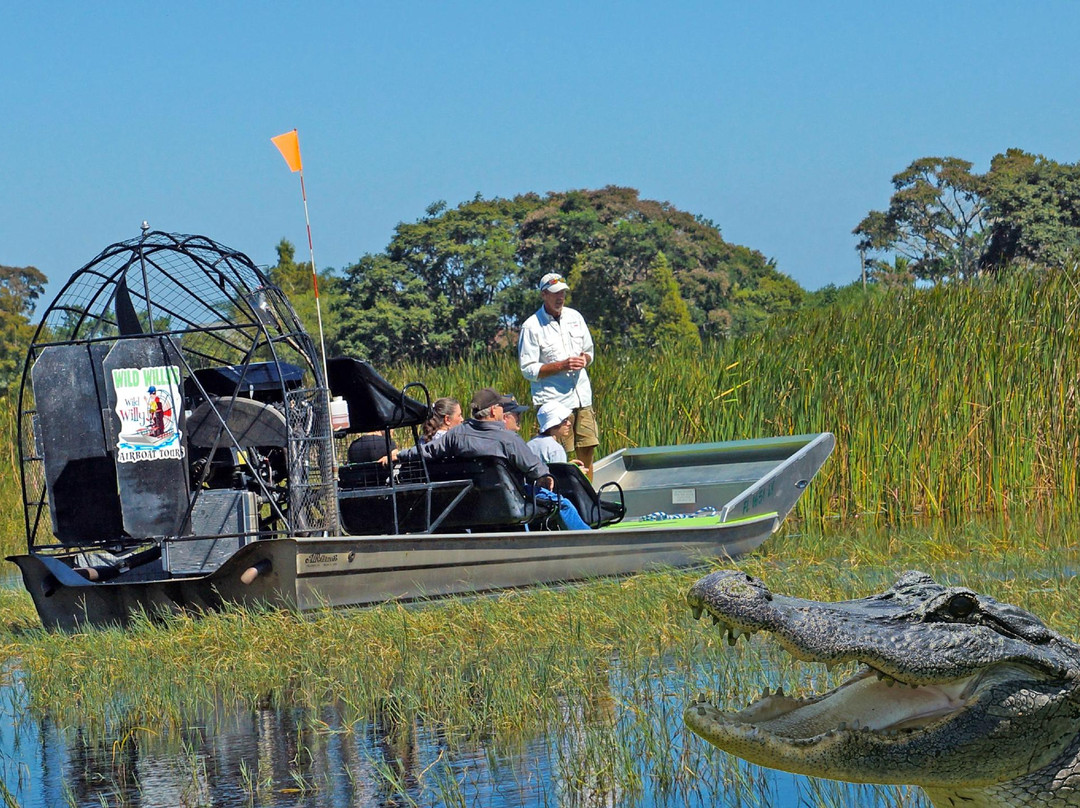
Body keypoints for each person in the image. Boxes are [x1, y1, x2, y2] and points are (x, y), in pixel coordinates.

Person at [415, 387, 591, 531]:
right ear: (493, 410)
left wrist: (401, 455)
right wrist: (545, 476)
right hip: (511, 500)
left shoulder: (456, 435)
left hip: (472, 503)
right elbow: (534, 468)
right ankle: (589, 540)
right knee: (563, 504)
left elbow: (425, 451)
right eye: (500, 405)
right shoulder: (508, 439)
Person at [518, 272, 599, 477]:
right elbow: (528, 369)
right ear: (544, 294)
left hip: (582, 396)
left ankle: (588, 492)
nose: (560, 297)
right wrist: (562, 365)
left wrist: (584, 360)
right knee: (561, 454)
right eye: (555, 293)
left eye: (562, 292)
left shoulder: (575, 317)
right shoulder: (531, 326)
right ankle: (564, 493)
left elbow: (589, 351)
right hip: (555, 402)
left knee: (588, 448)